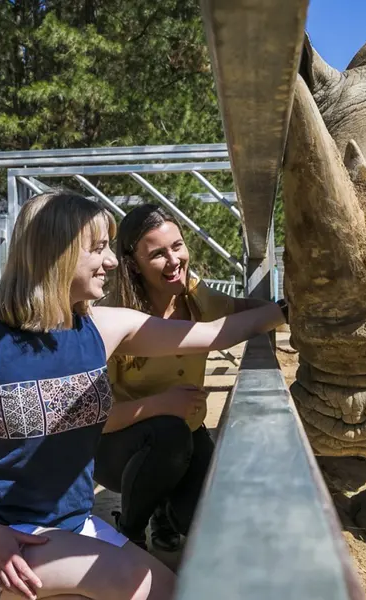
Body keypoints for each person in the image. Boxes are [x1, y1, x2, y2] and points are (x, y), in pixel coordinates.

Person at [0, 191, 286, 600]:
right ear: (58, 253)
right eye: (98, 249)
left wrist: (289, 308)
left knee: (172, 584)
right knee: (150, 587)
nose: (110, 262)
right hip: (4, 539)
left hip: (70, 525)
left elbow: (215, 334)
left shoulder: (105, 328)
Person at [93, 204, 277, 554]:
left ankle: (164, 511)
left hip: (188, 436)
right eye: (158, 254)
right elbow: (97, 419)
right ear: (133, 263)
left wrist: (286, 309)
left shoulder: (196, 296)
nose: (174, 259)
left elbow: (237, 310)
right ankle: (130, 531)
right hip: (118, 448)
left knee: (201, 519)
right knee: (170, 433)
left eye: (177, 245)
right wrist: (161, 405)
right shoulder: (115, 317)